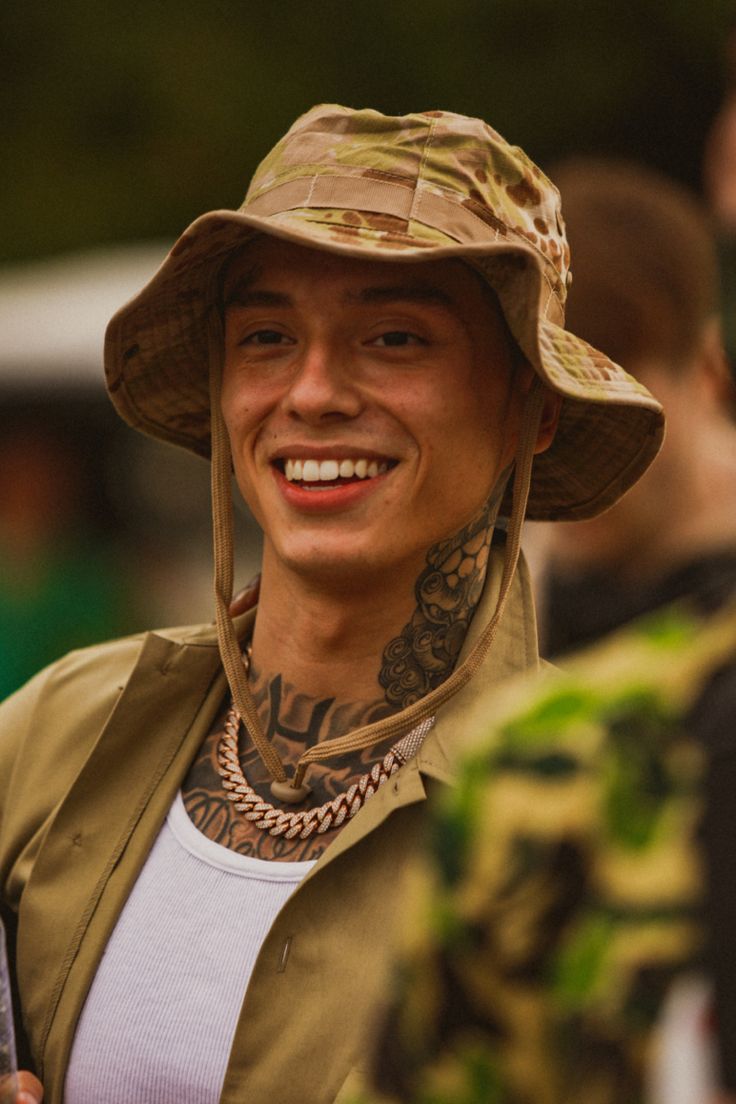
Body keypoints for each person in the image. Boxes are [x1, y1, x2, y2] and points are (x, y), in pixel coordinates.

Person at [0, 105, 663, 1104]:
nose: (312, 392)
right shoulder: (56, 732)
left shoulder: (621, 816)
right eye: (266, 336)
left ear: (531, 407)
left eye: (394, 338)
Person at [530, 158, 736, 1098]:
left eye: (615, 380)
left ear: (706, 370)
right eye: (548, 397)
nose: (583, 434)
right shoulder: (517, 591)